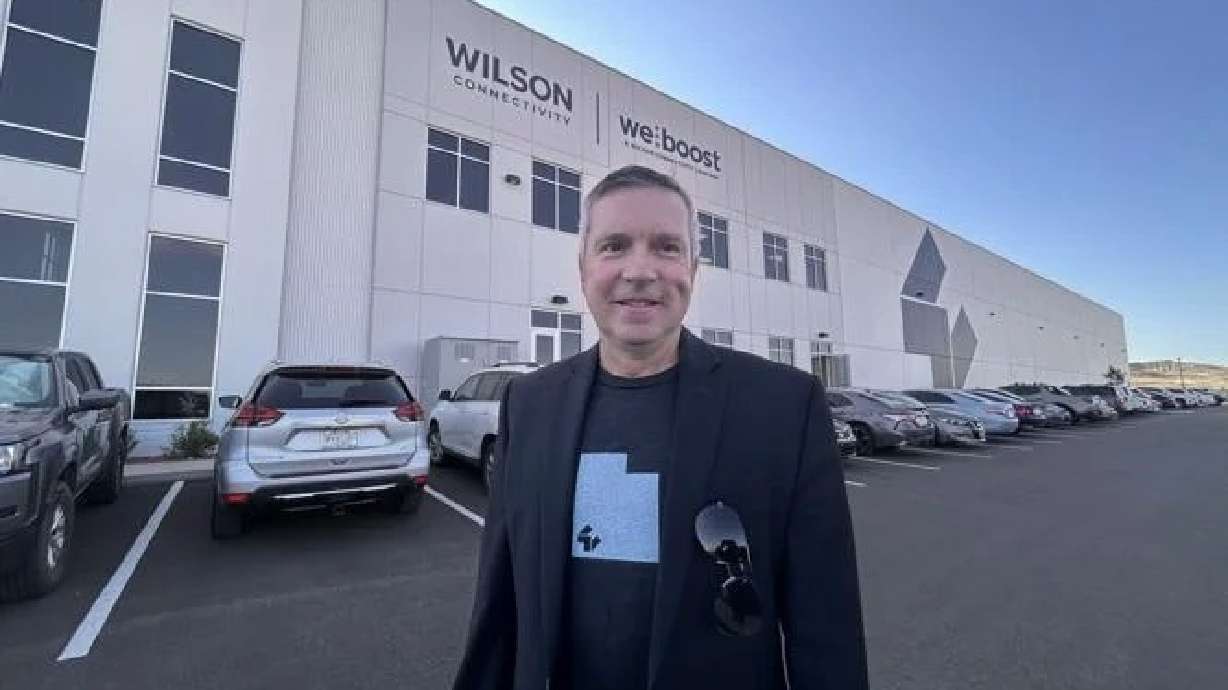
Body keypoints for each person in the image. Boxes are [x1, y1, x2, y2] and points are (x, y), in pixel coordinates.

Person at [453, 165, 867, 690]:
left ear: (694, 268)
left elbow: (826, 629)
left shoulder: (783, 407)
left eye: (667, 247)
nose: (640, 269)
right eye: (615, 246)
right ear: (583, 268)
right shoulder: (529, 405)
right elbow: (499, 608)